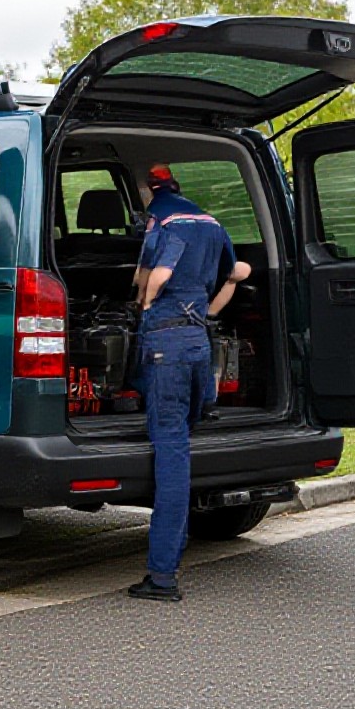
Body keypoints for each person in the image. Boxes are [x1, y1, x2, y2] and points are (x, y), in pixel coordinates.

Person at [130, 163, 251, 602]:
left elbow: (154, 275)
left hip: (167, 345)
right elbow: (237, 271)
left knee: (172, 454)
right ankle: (203, 403)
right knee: (189, 420)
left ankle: (162, 576)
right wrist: (211, 311)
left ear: (149, 192)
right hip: (199, 343)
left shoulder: (162, 221)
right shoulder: (211, 222)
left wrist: (143, 304)